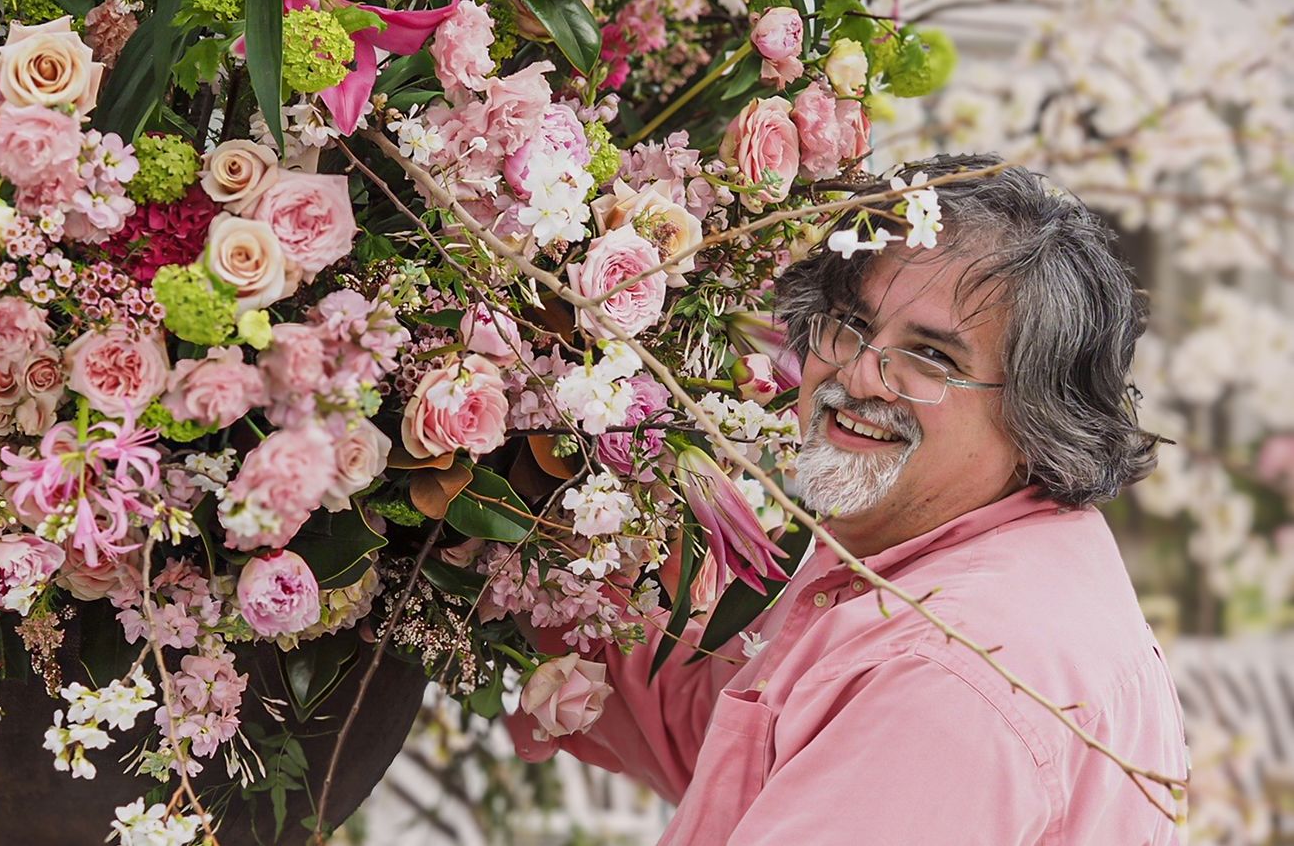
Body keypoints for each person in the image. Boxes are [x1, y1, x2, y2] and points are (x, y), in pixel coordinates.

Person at [509, 154, 1189, 845]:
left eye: (933, 358)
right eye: (850, 324)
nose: (861, 374)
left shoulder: (944, 677)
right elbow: (724, 751)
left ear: (1035, 419)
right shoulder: (950, 552)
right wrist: (524, 528)